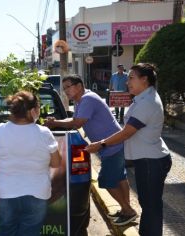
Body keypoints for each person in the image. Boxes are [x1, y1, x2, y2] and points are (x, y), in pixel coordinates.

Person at [86, 63, 172, 236]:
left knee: (151, 206)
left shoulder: (147, 102)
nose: (127, 82)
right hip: (148, 159)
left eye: (131, 78)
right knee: (149, 204)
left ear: (144, 80)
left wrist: (101, 143)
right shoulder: (143, 98)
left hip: (151, 161)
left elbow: (127, 133)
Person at [44, 74, 137, 226]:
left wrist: (54, 124)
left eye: (68, 87)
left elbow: (77, 123)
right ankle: (125, 209)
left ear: (79, 86)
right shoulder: (82, 100)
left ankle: (128, 211)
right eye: (64, 87)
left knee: (106, 181)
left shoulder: (87, 99)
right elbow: (74, 119)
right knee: (119, 178)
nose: (65, 90)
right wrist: (55, 122)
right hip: (113, 144)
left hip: (111, 145)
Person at [0, 91, 61, 236]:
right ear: (32, 111)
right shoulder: (44, 133)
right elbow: (56, 163)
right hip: (37, 193)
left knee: (7, 231)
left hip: (7, 192)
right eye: (39, 107)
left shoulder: (0, 130)